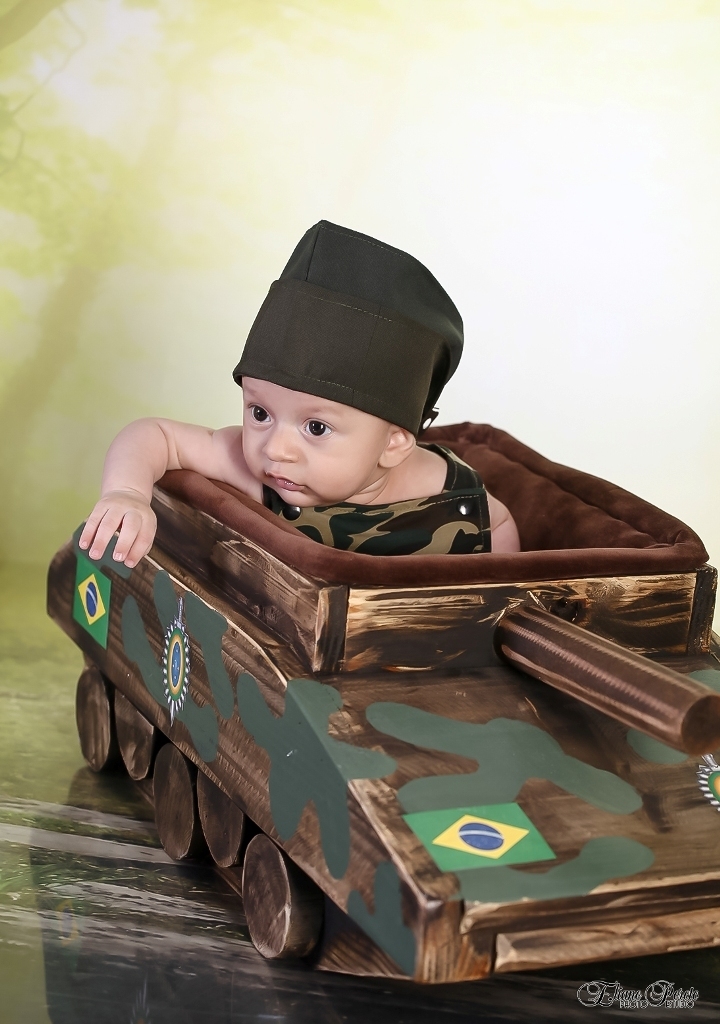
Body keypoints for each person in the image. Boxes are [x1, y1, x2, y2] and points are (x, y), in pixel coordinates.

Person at [80, 221, 520, 567]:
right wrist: (127, 492)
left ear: (393, 444)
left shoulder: (457, 501)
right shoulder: (256, 472)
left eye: (316, 427)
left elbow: (498, 526)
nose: (276, 449)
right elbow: (156, 435)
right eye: (260, 413)